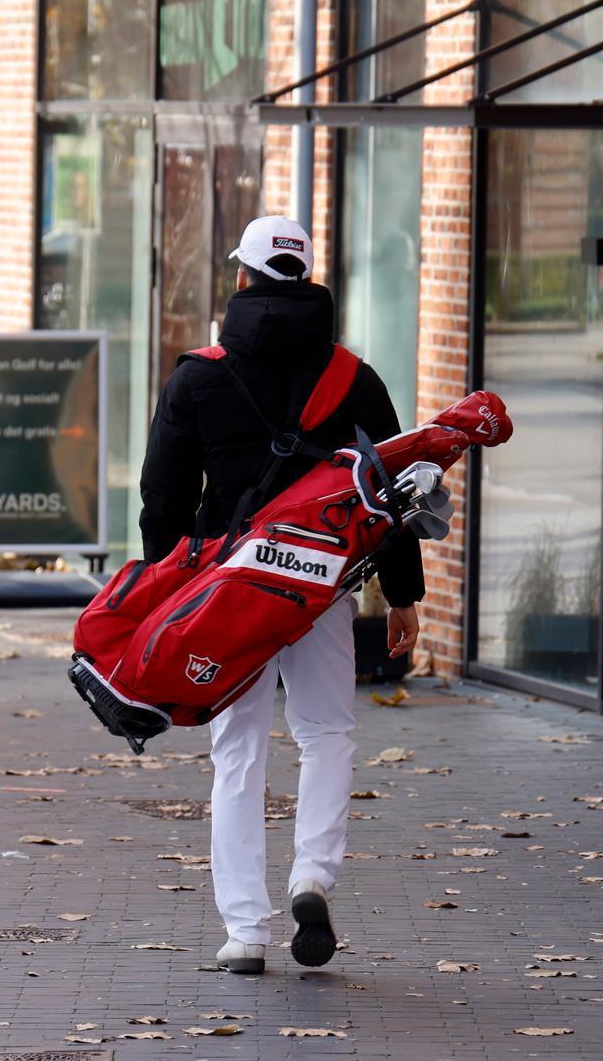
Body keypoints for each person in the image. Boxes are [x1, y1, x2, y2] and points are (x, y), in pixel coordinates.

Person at [139, 215, 423, 976]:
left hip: (229, 594)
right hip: (320, 592)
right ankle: (312, 876)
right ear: (305, 278)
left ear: (242, 279)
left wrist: (162, 592)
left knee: (237, 752)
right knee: (327, 732)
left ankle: (245, 932)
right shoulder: (353, 377)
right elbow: (386, 488)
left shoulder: (198, 374)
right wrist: (402, 595)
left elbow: (161, 495)